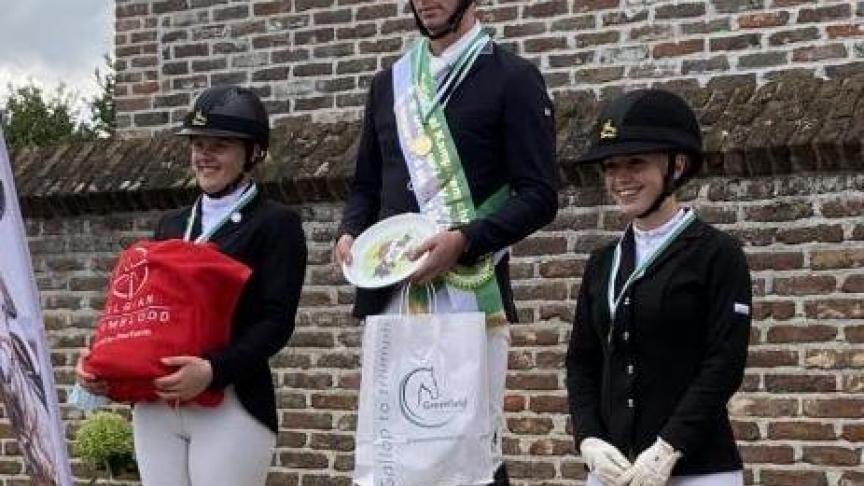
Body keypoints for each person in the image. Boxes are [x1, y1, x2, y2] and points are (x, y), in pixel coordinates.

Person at [333, 0, 558, 483]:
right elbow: (365, 187)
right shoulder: (388, 83)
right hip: (392, 292)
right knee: (391, 451)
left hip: (470, 293)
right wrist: (350, 229)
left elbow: (539, 195)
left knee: (467, 454)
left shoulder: (513, 78)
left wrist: (466, 239)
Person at [76, 85, 307, 486]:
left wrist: (213, 370)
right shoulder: (171, 224)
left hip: (230, 400)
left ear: (254, 152)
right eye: (198, 144)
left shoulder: (276, 223)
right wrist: (103, 360)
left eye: (219, 145)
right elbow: (144, 310)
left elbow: (275, 322)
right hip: (157, 403)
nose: (204, 155)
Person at [565, 89, 752, 486]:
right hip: (613, 471)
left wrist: (670, 445)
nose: (620, 179)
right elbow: (582, 362)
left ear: (677, 165)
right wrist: (589, 439)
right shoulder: (602, 263)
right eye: (611, 166)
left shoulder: (718, 254)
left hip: (698, 470)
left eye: (636, 163)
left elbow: (724, 364)